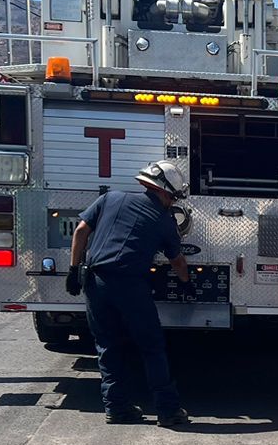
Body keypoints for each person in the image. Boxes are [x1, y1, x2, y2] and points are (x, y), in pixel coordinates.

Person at [65, 159, 191, 428]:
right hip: (131, 286)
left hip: (96, 282)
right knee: (151, 346)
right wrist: (186, 283)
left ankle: (117, 408)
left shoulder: (110, 198)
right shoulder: (163, 221)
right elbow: (178, 261)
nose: (172, 202)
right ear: (164, 192)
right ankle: (168, 411)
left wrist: (73, 270)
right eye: (173, 197)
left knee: (107, 346)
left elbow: (81, 230)